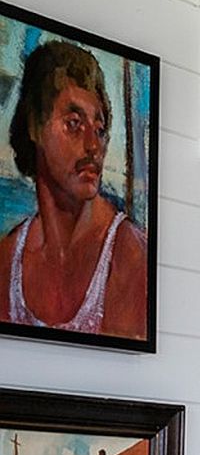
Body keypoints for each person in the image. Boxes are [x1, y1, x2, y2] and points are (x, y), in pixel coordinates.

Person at [0, 39, 147, 339]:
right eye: (74, 123)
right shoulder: (8, 258)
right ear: (34, 126)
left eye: (100, 129)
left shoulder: (129, 254)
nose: (94, 146)